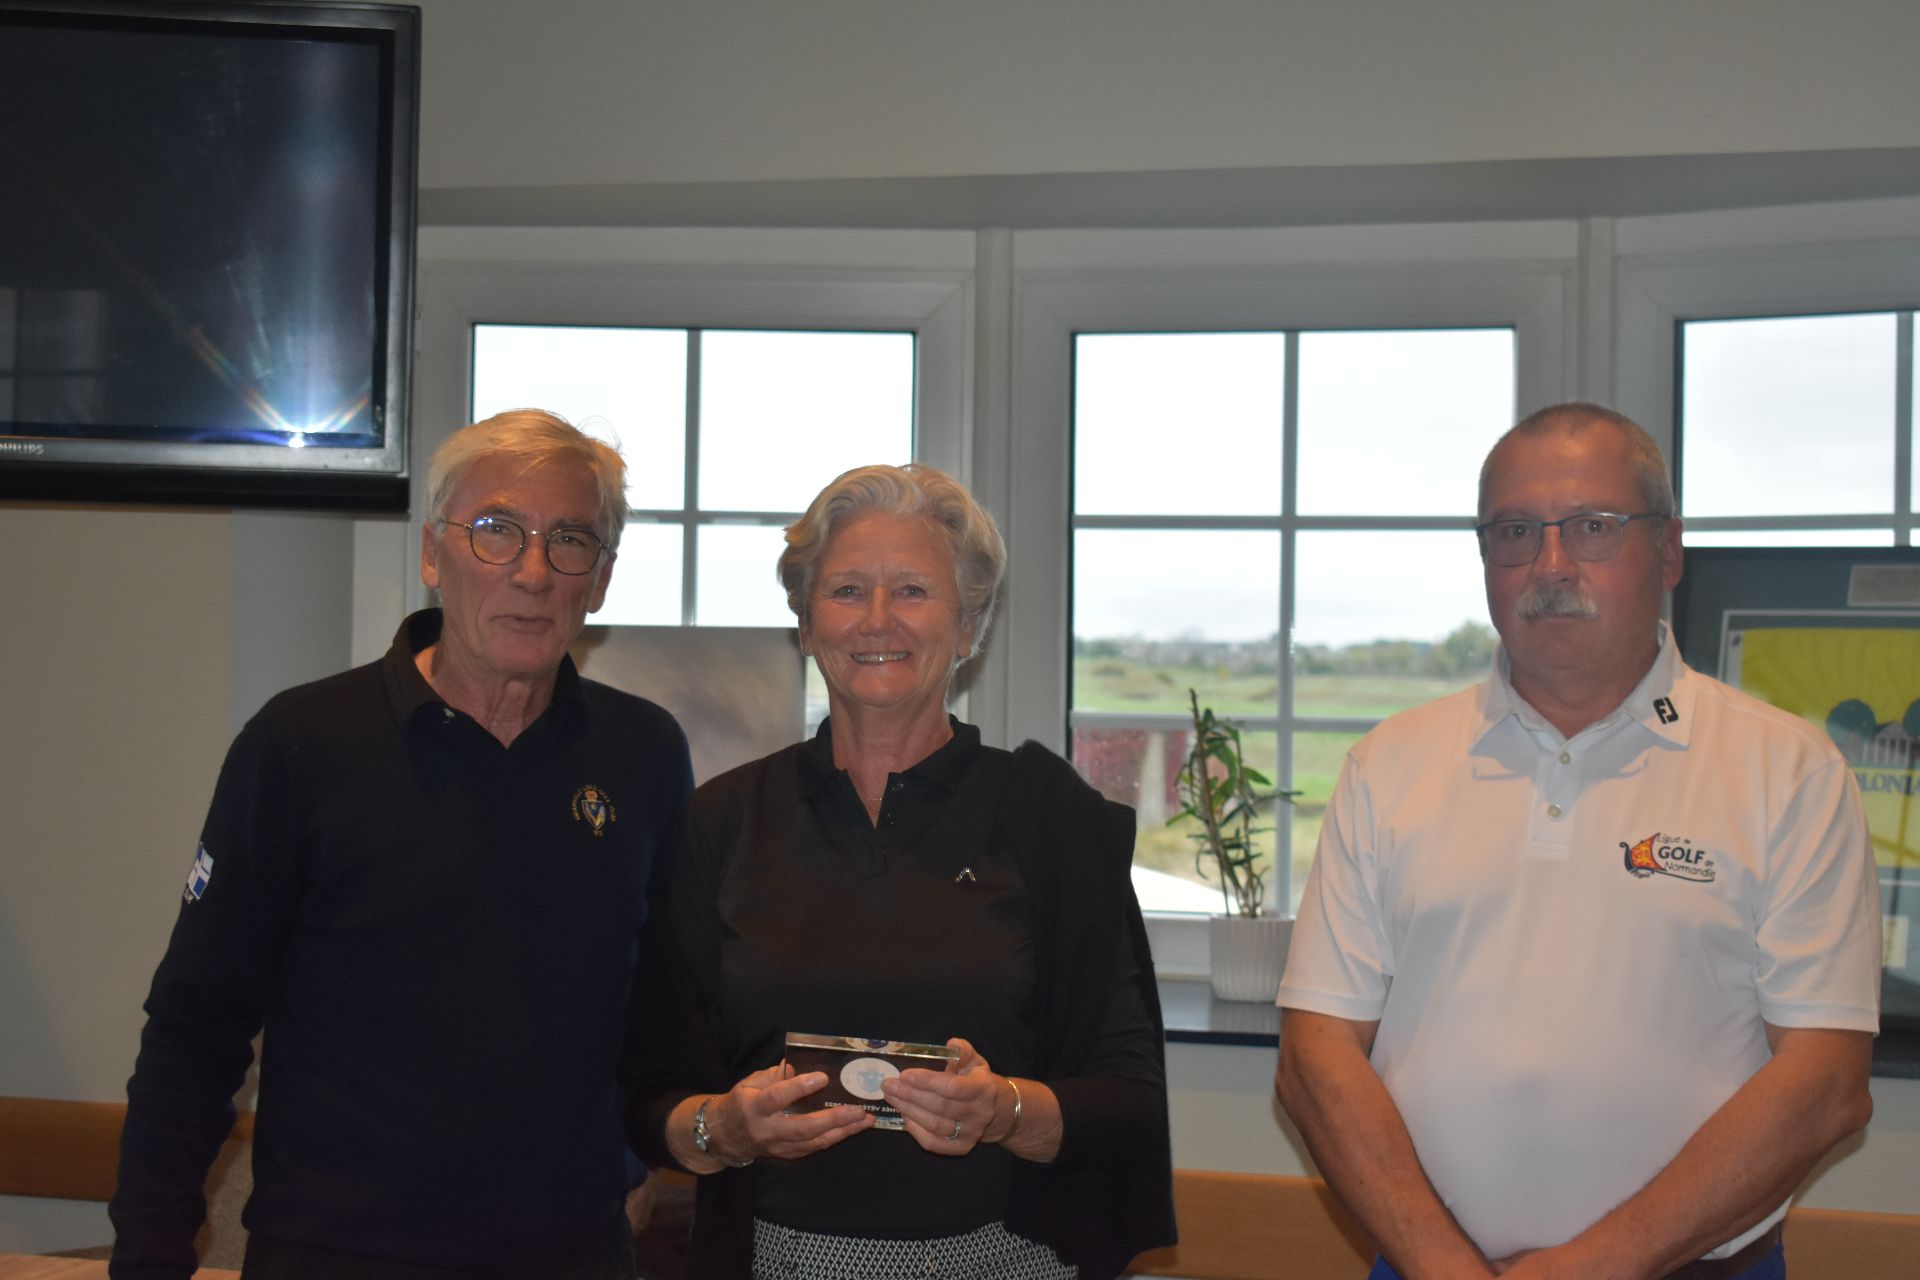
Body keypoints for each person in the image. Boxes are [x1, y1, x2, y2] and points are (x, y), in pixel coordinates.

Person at [1275, 403, 1882, 1280]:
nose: (1551, 565)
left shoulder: (1787, 773)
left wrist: (1591, 1266)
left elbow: (1826, 1082)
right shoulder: (1388, 768)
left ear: (1669, 551)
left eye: (1593, 527)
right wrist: (1445, 1267)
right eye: (1516, 531)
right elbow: (1315, 1057)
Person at [110, 410, 693, 1279]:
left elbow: (663, 1009)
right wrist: (148, 1258)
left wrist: (642, 1152)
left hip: (574, 1256)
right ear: (431, 553)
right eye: (496, 530)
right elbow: (197, 1024)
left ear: (600, 580)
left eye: (570, 541)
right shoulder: (302, 743)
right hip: (335, 1255)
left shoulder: (643, 754)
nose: (533, 571)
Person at [623, 463, 1175, 1279]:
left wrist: (1004, 1109)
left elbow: (1130, 1101)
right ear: (806, 623)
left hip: (1007, 1260)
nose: (877, 618)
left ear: (970, 626)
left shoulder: (1052, 820)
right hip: (774, 1259)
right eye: (847, 590)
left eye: (913, 591)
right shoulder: (723, 821)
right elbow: (649, 1094)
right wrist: (723, 1130)